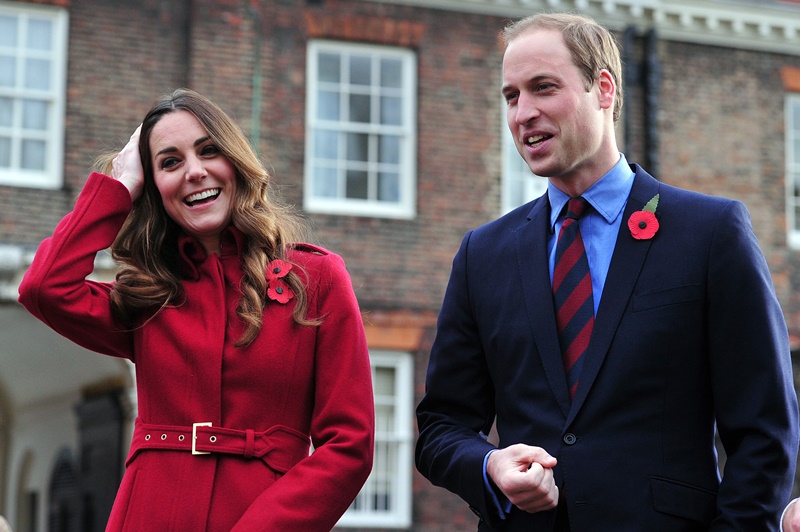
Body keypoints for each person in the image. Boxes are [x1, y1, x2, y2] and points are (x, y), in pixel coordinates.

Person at [415, 12, 799, 530]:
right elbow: (441, 427)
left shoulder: (709, 233)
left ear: (603, 88)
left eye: (543, 88)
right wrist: (488, 464)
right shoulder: (482, 254)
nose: (523, 113)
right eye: (511, 96)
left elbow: (765, 429)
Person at [18, 88, 374, 531]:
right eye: (170, 162)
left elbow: (349, 445)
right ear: (153, 186)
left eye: (209, 151)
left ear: (236, 162)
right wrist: (118, 188)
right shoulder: (149, 296)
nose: (195, 172)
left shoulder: (317, 279)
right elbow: (44, 288)